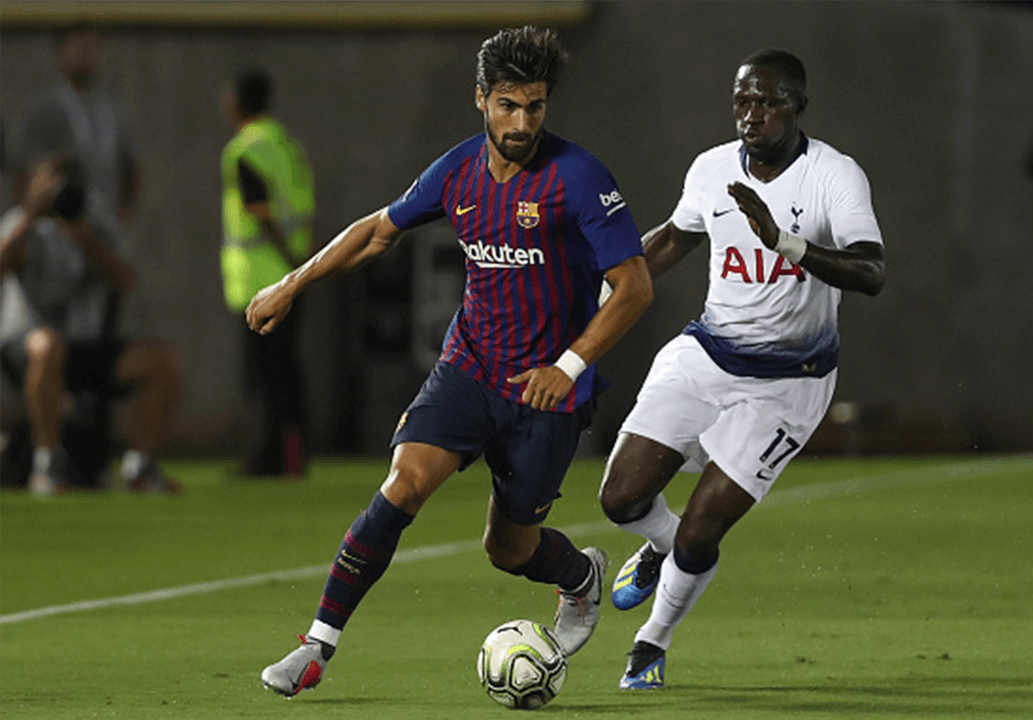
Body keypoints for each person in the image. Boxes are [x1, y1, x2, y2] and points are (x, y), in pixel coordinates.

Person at [254, 26, 653, 697]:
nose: (522, 122)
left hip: (544, 393)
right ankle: (317, 646)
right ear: (481, 100)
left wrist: (570, 366)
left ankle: (579, 579)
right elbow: (379, 231)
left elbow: (636, 285)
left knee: (508, 550)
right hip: (469, 369)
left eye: (534, 106)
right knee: (403, 485)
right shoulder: (459, 171)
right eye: (508, 105)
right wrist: (291, 284)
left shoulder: (578, 177)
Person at [598, 49, 886, 689]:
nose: (751, 115)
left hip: (791, 380)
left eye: (767, 102)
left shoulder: (833, 176)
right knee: (620, 499)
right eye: (742, 101)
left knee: (704, 529)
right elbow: (675, 237)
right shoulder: (711, 168)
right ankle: (659, 547)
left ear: (798, 107)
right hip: (707, 353)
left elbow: (871, 272)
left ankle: (653, 640)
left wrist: (783, 240)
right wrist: (609, 280)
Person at [0, 155, 183, 495]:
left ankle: (139, 465)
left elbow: (126, 280)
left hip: (84, 346)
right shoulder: (18, 223)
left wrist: (85, 239)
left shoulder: (94, 225)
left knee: (163, 362)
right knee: (48, 345)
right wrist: (29, 217)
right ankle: (48, 463)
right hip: (27, 345)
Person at [219, 68, 315, 477]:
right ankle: (294, 451)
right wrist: (302, 264)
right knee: (287, 368)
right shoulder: (287, 144)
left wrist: (288, 268)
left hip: (265, 278)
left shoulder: (245, 149)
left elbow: (260, 211)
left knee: (266, 375)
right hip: (296, 268)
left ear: (237, 101)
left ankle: (270, 457)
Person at [12, 25, 139, 244]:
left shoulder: (113, 107)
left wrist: (125, 211)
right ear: (61, 52)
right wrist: (30, 210)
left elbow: (132, 164)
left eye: (91, 47)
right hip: (58, 224)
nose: (85, 55)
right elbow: (21, 165)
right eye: (78, 48)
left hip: (104, 219)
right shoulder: (45, 106)